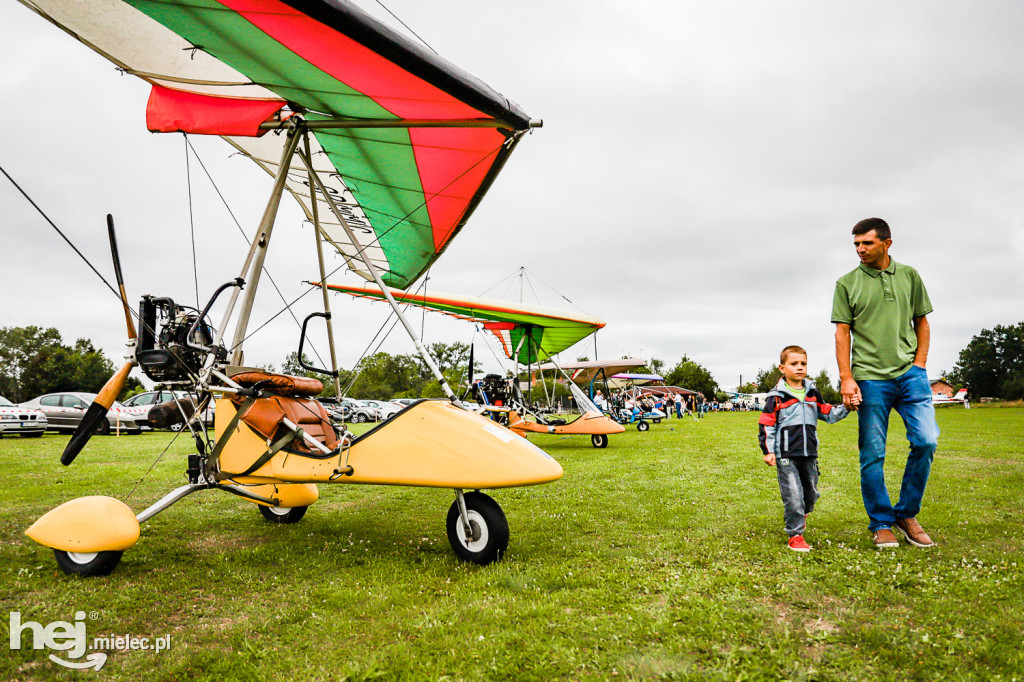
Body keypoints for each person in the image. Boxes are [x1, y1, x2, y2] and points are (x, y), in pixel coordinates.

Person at [833, 217, 939, 549]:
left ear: (886, 243)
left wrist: (920, 365)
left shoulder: (909, 276)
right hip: (868, 379)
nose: (860, 249)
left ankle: (906, 514)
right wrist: (847, 378)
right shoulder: (846, 283)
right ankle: (881, 522)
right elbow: (841, 333)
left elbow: (922, 322)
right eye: (856, 244)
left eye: (866, 243)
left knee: (926, 441)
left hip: (911, 377)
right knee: (872, 454)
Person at [758, 345, 851, 552]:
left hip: (809, 453)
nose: (799, 368)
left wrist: (847, 407)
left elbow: (828, 413)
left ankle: (803, 512)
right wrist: (769, 450)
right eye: (794, 364)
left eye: (803, 364)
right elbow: (766, 424)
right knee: (793, 494)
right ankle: (795, 534)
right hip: (786, 455)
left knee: (810, 494)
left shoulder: (812, 393)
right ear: (782, 368)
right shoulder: (776, 397)